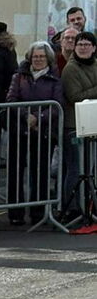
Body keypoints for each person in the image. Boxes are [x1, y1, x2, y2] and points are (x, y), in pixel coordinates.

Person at [5, 43, 64, 225]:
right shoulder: (19, 76)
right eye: (35, 56)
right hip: (19, 129)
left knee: (40, 172)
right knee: (15, 171)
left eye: (41, 56)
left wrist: (38, 118)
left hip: (43, 132)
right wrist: (26, 116)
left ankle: (38, 213)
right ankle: (16, 213)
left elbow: (57, 105)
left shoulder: (55, 79)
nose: (38, 59)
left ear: (48, 58)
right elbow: (11, 99)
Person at [60, 31, 97, 218]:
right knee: (75, 168)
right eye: (80, 44)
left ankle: (89, 205)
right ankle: (72, 208)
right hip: (73, 125)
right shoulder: (70, 69)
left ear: (94, 48)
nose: (83, 48)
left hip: (93, 124)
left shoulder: (95, 65)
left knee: (91, 168)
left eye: (87, 44)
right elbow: (75, 96)